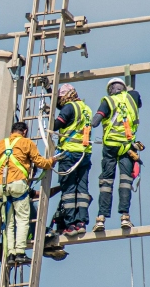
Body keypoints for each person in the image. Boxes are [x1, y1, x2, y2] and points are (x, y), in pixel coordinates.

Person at [0, 121, 57, 266]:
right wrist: (51, 161)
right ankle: (20, 252)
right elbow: (40, 162)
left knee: (9, 223)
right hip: (18, 184)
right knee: (22, 220)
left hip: (1, 187)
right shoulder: (27, 143)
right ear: (24, 131)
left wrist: (4, 170)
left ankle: (11, 254)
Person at [91, 77, 142, 231]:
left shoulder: (108, 101)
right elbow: (138, 99)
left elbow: (95, 122)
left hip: (111, 147)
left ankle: (101, 218)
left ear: (111, 89)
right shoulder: (132, 98)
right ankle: (125, 216)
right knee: (126, 182)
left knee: (106, 183)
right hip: (127, 147)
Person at [51, 83, 93, 235]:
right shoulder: (86, 108)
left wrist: (47, 118)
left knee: (68, 190)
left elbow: (57, 124)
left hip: (69, 154)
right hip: (84, 154)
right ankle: (81, 223)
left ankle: (70, 226)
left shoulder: (69, 107)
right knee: (82, 190)